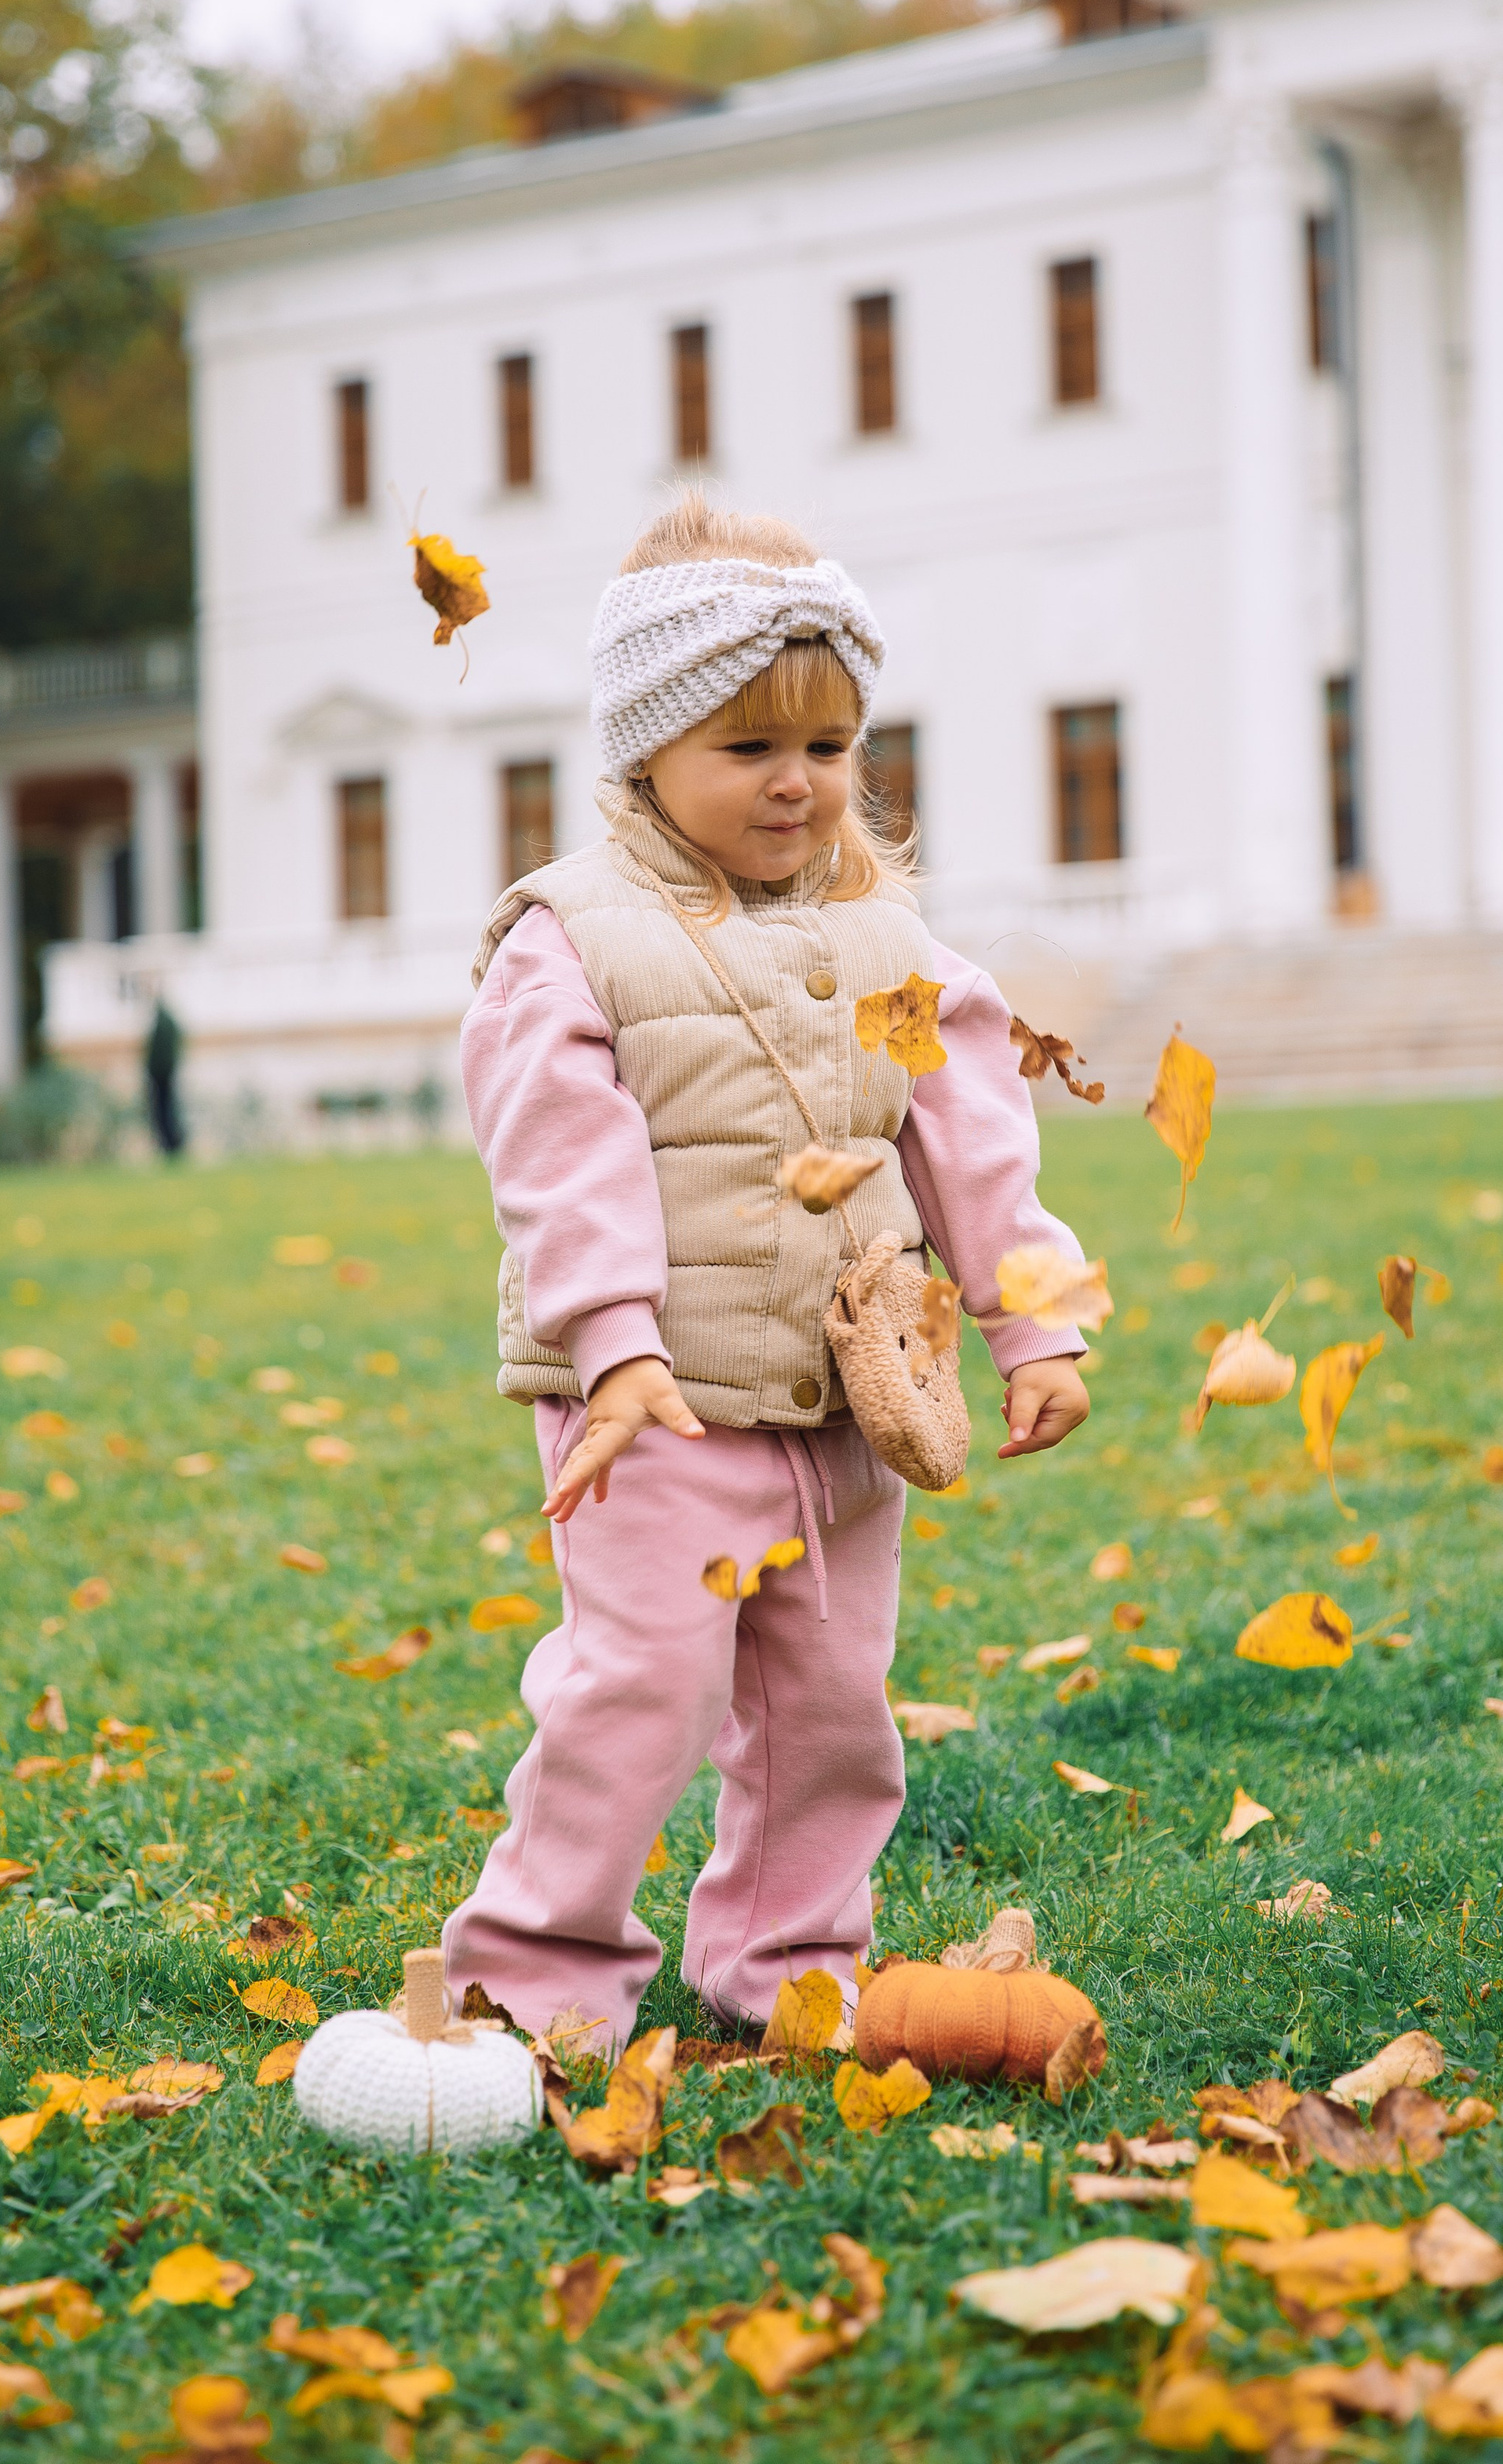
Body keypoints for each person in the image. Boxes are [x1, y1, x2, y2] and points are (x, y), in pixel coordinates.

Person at [440, 493, 1091, 2050]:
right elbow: (558, 1157)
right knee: (638, 1693)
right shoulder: (569, 939)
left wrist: (1027, 1321)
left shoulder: (891, 944)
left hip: (841, 1417)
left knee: (828, 1712)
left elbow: (968, 1143)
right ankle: (533, 1976)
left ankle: (789, 1967)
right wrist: (613, 1342)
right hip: (651, 1413)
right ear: (643, 751)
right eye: (748, 749)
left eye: (825, 745)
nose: (796, 783)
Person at [144, 997, 186, 1157]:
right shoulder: (168, 1022)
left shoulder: (162, 1024)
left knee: (165, 1111)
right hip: (165, 1074)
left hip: (162, 1075)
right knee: (168, 1109)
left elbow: (159, 1053)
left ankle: (171, 1145)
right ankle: (171, 1145)